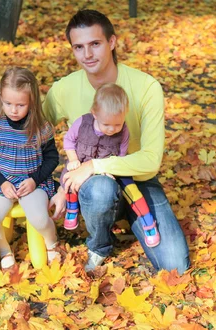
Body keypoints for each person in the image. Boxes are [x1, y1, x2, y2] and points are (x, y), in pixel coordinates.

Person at [42, 9, 190, 274]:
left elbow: (151, 161)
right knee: (100, 190)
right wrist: (53, 185)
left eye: (95, 44)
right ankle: (101, 241)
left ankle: (129, 214)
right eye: (79, 47)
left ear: (111, 42)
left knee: (175, 267)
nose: (87, 55)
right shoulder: (63, 88)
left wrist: (95, 165)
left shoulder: (146, 87)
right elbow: (31, 133)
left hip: (136, 180)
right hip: (93, 186)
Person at [0, 67, 60, 269]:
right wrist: (2, 183)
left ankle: (52, 242)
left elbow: (52, 158)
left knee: (40, 218)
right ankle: (5, 250)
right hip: (2, 184)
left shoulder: (41, 128)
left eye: (20, 105)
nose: (13, 110)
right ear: (0, 99)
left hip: (33, 182)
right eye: (8, 103)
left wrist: (34, 179)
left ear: (32, 101)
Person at [61, 83, 160, 249]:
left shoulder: (124, 131)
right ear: (95, 113)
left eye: (117, 125)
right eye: (106, 124)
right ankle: (72, 208)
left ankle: (148, 221)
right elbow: (68, 141)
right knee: (69, 177)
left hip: (111, 169)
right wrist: (72, 159)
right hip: (82, 164)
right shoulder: (82, 123)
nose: (112, 130)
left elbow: (121, 156)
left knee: (132, 189)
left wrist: (110, 170)